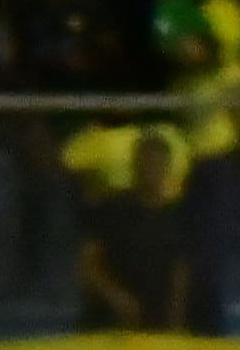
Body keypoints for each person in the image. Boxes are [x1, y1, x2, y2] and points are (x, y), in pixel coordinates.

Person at [75, 128, 191, 333]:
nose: (151, 170)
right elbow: (87, 266)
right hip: (108, 322)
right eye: (146, 163)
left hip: (155, 325)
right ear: (135, 165)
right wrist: (116, 297)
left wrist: (175, 326)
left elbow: (180, 275)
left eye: (157, 164)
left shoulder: (179, 216)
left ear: (167, 168)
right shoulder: (112, 208)